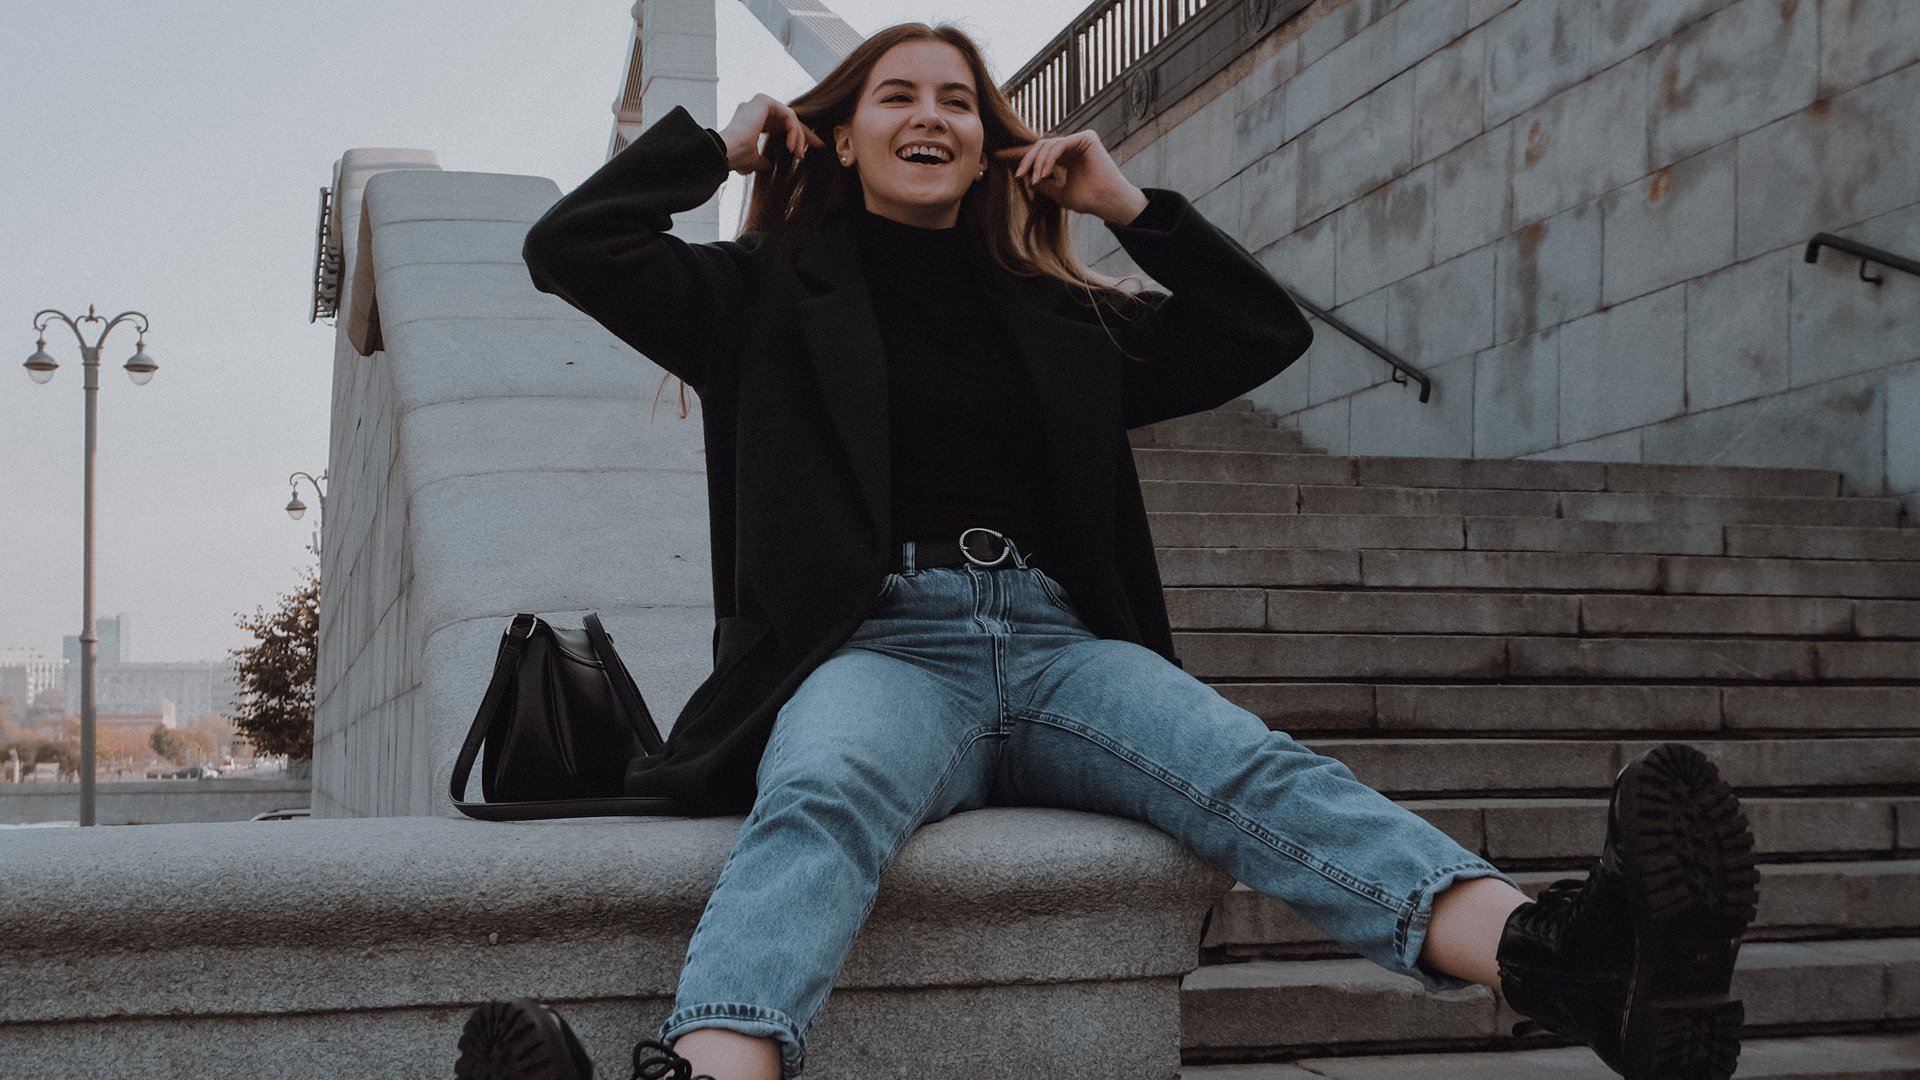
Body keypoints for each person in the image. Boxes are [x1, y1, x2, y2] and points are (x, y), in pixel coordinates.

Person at [456, 22, 1758, 1080]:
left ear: (988, 145)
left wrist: (1127, 204)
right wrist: (718, 145)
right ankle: (707, 1070)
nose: (929, 116)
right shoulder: (757, 301)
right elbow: (571, 247)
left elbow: (1259, 335)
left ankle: (1564, 960)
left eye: (959, 102)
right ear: (841, 133)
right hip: (875, 646)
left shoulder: (1062, 313)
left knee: (1255, 770)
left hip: (1059, 648)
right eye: (896, 96)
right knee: (825, 794)